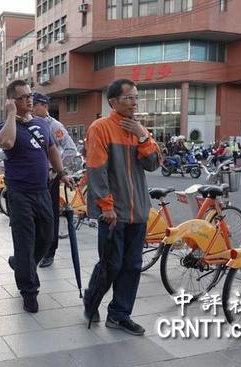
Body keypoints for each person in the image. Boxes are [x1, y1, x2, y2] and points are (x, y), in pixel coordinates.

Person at [83, 78, 160, 335]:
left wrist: (143, 135)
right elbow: (96, 170)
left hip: (137, 211)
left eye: (136, 97)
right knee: (111, 264)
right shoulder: (101, 127)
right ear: (113, 101)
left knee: (132, 266)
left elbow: (153, 163)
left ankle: (119, 314)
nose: (134, 102)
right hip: (113, 213)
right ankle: (91, 300)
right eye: (129, 98)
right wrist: (106, 206)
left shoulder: (137, 129)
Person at [0, 79, 73, 313]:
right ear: (12, 101)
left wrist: (62, 173)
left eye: (30, 95)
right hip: (19, 194)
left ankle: (21, 264)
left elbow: (51, 150)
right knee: (25, 242)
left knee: (47, 238)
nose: (29, 99)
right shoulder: (5, 126)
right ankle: (29, 290)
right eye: (23, 97)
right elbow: (7, 142)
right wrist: (10, 114)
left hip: (42, 190)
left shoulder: (42, 124)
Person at [32, 92, 77, 268]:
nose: (32, 107)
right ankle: (35, 250)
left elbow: (71, 149)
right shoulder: (29, 123)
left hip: (50, 177)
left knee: (50, 216)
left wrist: (57, 169)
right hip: (33, 178)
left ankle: (50, 252)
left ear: (45, 106)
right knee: (34, 216)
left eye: (35, 104)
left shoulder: (54, 126)